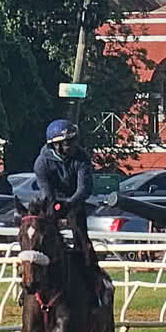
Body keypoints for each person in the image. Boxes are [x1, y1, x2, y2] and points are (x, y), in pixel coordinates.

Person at [32, 119, 104, 298]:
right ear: (55, 145)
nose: (73, 145)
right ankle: (28, 286)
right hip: (51, 205)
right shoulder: (41, 163)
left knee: (84, 243)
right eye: (67, 143)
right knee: (37, 242)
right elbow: (47, 192)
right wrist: (56, 207)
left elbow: (84, 189)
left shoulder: (82, 158)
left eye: (74, 140)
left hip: (75, 204)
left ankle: (94, 286)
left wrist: (69, 204)